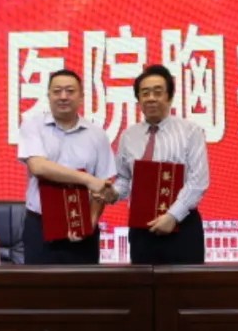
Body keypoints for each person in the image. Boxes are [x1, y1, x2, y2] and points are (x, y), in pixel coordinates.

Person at [100, 64, 209, 265]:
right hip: (142, 229)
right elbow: (125, 179)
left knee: (186, 285)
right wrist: (113, 193)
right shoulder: (129, 136)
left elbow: (198, 182)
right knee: (142, 284)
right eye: (145, 93)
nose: (151, 98)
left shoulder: (190, 131)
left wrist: (172, 216)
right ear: (138, 99)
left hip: (182, 225)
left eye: (158, 92)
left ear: (170, 97)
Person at [17, 69, 116, 265]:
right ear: (48, 96)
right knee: (38, 282)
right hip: (40, 225)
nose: (63, 96)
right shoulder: (33, 126)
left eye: (70, 91)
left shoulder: (97, 135)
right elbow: (38, 167)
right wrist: (87, 179)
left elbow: (102, 185)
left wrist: (90, 222)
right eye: (57, 91)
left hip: (83, 228)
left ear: (81, 97)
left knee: (83, 284)